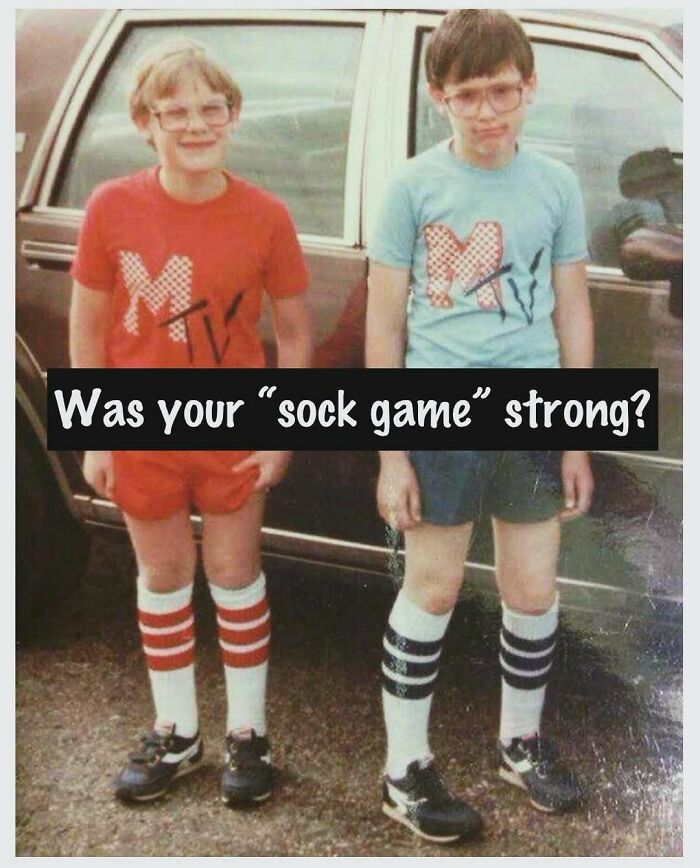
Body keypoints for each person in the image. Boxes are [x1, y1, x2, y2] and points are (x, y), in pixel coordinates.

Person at [366, 9, 594, 843]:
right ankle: (403, 770)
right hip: (438, 412)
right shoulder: (412, 186)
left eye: (503, 91)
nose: (488, 111)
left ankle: (520, 742)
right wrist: (392, 454)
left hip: (532, 411)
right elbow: (385, 327)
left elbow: (572, 307)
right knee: (433, 586)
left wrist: (573, 432)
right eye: (469, 95)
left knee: (533, 587)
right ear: (439, 97)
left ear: (529, 86)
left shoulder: (557, 184)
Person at [69, 39, 312, 806]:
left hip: (233, 427)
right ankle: (177, 730)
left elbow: (297, 334)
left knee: (235, 575)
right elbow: (90, 325)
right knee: (164, 575)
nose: (195, 124)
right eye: (174, 112)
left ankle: (248, 733)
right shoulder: (112, 206)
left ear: (233, 115)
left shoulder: (266, 216)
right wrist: (94, 430)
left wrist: (281, 431)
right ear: (146, 123)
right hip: (140, 426)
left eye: (211, 109)